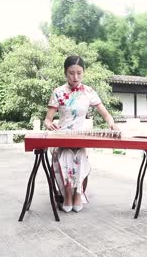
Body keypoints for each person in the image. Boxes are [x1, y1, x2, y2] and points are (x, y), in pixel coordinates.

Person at [44, 55, 116, 213]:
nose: (75, 77)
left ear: (83, 73)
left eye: (79, 73)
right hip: (61, 136)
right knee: (65, 154)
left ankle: (77, 193)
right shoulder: (58, 92)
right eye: (71, 73)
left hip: (79, 136)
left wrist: (112, 124)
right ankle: (68, 193)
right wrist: (51, 125)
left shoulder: (89, 92)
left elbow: (105, 114)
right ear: (65, 73)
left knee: (80, 154)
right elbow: (47, 120)